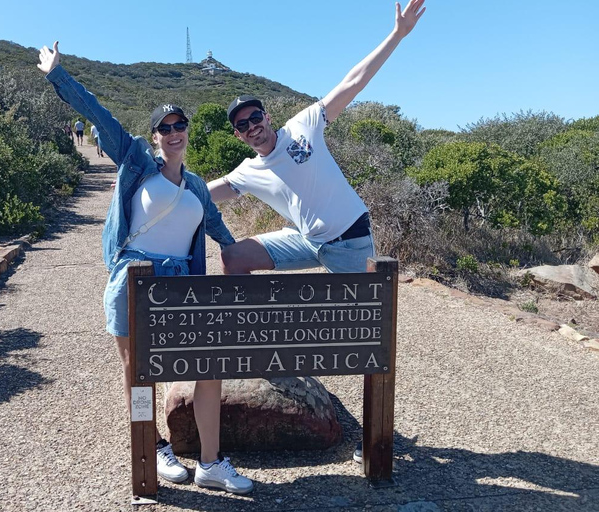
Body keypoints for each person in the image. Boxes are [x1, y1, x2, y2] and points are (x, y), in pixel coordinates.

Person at [207, 0, 426, 462]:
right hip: (308, 240)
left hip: (349, 239)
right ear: (238, 135)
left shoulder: (303, 127)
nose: (252, 128)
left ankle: (374, 438)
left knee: (364, 337)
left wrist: (398, 35)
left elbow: (352, 81)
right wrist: (156, 189)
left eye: (255, 118)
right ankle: (247, 340)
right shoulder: (248, 171)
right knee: (234, 258)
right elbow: (203, 195)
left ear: (267, 116)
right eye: (242, 126)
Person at [38, 41, 254, 495]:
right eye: (165, 127)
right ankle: (152, 445)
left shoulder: (195, 186)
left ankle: (211, 464)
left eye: (180, 124)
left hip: (184, 287)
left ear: (187, 130)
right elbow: (99, 115)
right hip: (134, 280)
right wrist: (58, 74)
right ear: (154, 135)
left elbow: (218, 230)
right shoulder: (137, 163)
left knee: (207, 366)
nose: (174, 132)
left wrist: (242, 259)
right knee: (138, 372)